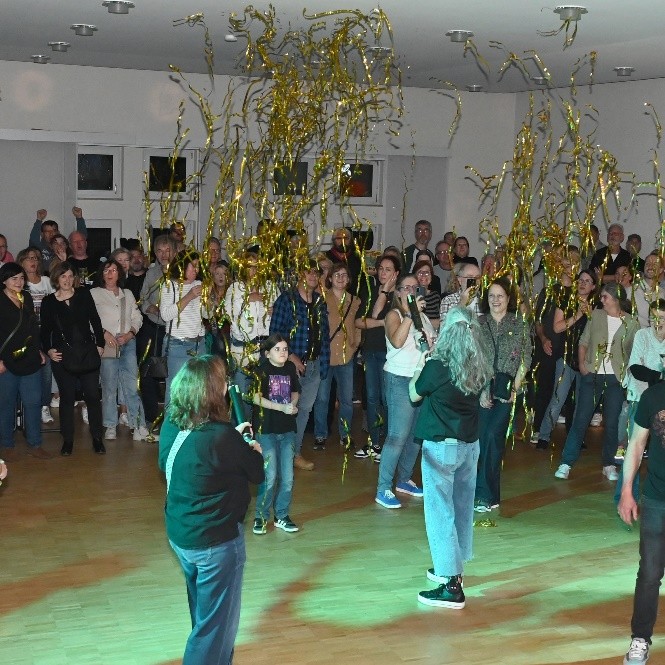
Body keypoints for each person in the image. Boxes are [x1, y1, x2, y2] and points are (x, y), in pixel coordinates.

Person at [158, 355, 264, 665]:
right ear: (212, 391)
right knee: (214, 630)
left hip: (182, 535)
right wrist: (252, 448)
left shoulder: (172, 423)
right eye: (222, 382)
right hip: (216, 544)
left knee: (204, 615)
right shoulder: (222, 437)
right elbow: (257, 471)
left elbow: (176, 462)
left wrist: (235, 438)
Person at [408, 306, 493, 609]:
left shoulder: (437, 367)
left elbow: (414, 394)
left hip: (442, 447)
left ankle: (452, 585)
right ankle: (453, 566)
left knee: (439, 512)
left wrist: (421, 364)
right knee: (460, 508)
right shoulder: (479, 365)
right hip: (469, 446)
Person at [554, 282, 639, 481]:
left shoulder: (632, 322)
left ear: (616, 299)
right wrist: (583, 365)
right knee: (581, 419)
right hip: (592, 374)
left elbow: (634, 352)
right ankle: (566, 462)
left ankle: (609, 464)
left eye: (605, 297)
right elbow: (583, 342)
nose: (601, 300)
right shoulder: (596, 315)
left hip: (615, 379)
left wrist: (626, 373)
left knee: (611, 422)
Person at [375, 272, 435, 509]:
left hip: (420, 379)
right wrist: (410, 314)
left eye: (415, 287)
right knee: (397, 436)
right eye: (407, 288)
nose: (412, 291)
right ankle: (383, 488)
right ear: (397, 292)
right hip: (399, 378)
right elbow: (397, 341)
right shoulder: (394, 314)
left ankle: (404, 479)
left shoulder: (424, 317)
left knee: (415, 435)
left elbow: (429, 345)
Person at [618, 374, 665, 665]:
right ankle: (640, 638)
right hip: (657, 498)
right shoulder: (653, 396)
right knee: (649, 572)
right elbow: (636, 444)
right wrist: (626, 491)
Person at [474, 277, 531, 513]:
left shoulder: (519, 324)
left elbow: (526, 357)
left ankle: (484, 495)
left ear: (509, 298)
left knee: (492, 437)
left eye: (500, 295)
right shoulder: (479, 323)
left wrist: (514, 388)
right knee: (482, 440)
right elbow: (474, 359)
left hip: (508, 390)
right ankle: (490, 494)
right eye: (491, 296)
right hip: (482, 388)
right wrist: (481, 391)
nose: (495, 300)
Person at [270, 259, 330, 471]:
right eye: (308, 272)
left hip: (314, 364)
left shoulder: (320, 301)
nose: (313, 276)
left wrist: (323, 363)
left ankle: (294, 453)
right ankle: (276, 456)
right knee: (283, 410)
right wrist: (291, 357)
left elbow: (324, 335)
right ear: (299, 275)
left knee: (303, 411)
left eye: (316, 273)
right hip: (289, 366)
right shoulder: (286, 300)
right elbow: (275, 334)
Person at [40, 261, 105, 456]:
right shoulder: (48, 302)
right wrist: (49, 350)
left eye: (70, 276)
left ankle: (97, 438)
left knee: (93, 397)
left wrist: (100, 344)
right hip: (63, 356)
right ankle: (67, 440)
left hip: (87, 353)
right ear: (56, 279)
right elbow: (45, 330)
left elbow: (95, 319)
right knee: (67, 399)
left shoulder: (84, 294)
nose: (67, 280)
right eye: (63, 276)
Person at [536, 268, 598, 449]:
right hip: (566, 357)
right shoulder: (566, 300)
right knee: (558, 399)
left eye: (587, 281)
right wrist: (578, 314)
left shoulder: (597, 305)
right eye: (580, 280)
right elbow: (557, 327)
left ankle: (577, 437)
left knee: (581, 403)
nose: (583, 283)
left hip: (587, 361)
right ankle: (544, 436)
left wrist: (590, 314)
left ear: (593, 286)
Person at [91, 259, 148, 442]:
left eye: (114, 270)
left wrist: (130, 334)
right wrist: (104, 333)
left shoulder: (127, 294)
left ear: (119, 274)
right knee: (109, 387)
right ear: (101, 273)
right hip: (108, 344)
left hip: (127, 343)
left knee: (132, 386)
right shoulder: (94, 293)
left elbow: (137, 317)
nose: (110, 274)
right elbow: (88, 319)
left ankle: (138, 424)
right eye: (107, 270)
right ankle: (110, 425)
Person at [0, 262, 51, 461]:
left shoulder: (27, 298)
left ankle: (35, 444)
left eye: (22, 278)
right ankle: (7, 444)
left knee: (33, 402)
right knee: (6, 404)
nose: (19, 282)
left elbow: (32, 328)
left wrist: (38, 350)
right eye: (14, 278)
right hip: (7, 361)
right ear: (4, 280)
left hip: (29, 359)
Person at [251, 334, 301, 535]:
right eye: (277, 349)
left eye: (285, 349)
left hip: (287, 430)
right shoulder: (261, 371)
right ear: (267, 353)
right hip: (266, 430)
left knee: (287, 477)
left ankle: (281, 515)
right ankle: (261, 516)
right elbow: (256, 398)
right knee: (269, 476)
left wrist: (293, 405)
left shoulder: (290, 368)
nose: (282, 352)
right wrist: (281, 407)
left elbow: (295, 391)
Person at [353, 254, 400, 460]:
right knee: (371, 398)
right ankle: (374, 442)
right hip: (371, 351)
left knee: (386, 398)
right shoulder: (371, 291)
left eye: (388, 269)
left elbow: (381, 319)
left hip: (390, 354)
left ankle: (387, 443)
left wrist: (376, 320)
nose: (383, 273)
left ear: (396, 273)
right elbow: (360, 321)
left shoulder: (399, 294)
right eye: (380, 268)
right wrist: (383, 322)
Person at [312, 262, 361, 449]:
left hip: (347, 356)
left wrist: (355, 344)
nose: (341, 278)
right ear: (330, 279)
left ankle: (345, 434)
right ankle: (320, 435)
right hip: (326, 356)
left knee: (346, 400)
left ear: (349, 279)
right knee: (323, 398)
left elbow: (358, 325)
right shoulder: (322, 299)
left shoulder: (355, 301)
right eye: (337, 275)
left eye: (344, 275)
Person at [224, 252, 278, 421]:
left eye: (256, 266)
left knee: (265, 395)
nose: (253, 270)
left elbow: (281, 313)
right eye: (249, 266)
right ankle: (242, 433)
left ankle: (262, 434)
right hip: (242, 350)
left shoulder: (270, 286)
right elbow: (229, 315)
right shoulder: (235, 288)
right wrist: (248, 299)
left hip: (265, 349)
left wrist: (274, 311)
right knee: (242, 397)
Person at [138, 235, 175, 428]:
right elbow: (143, 298)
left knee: (172, 373)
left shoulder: (181, 272)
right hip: (153, 328)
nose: (163, 254)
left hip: (174, 330)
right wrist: (149, 307)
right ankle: (151, 417)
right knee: (147, 372)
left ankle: (172, 417)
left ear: (174, 251)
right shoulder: (151, 273)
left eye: (167, 250)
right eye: (159, 251)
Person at [17, 247, 55, 424]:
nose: (33, 261)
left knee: (46, 370)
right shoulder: (19, 283)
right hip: (26, 334)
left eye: (36, 258)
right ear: (21, 262)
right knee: (25, 371)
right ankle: (22, 409)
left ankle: (44, 405)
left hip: (45, 333)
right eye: (29, 258)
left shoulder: (47, 282)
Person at [160, 251, 204, 403]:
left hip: (199, 343)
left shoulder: (199, 284)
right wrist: (189, 296)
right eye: (193, 266)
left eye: (198, 266)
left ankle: (194, 419)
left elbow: (206, 315)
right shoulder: (169, 286)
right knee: (175, 389)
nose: (196, 270)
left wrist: (210, 302)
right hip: (177, 344)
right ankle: (171, 420)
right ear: (182, 266)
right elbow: (166, 315)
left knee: (198, 390)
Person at [439, 262, 482, 326]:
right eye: (470, 278)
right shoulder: (449, 300)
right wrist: (462, 304)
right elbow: (445, 328)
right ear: (460, 280)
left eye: (477, 278)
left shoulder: (486, 300)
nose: (474, 281)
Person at [325, 227, 362, 295]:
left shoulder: (358, 258)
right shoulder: (326, 258)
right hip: (330, 297)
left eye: (346, 238)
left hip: (353, 298)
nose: (343, 241)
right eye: (339, 238)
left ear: (351, 240)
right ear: (333, 240)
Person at [413, 259, 441, 328]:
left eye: (427, 273)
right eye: (420, 273)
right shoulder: (409, 295)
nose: (423, 275)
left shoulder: (435, 295)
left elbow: (441, 321)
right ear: (414, 276)